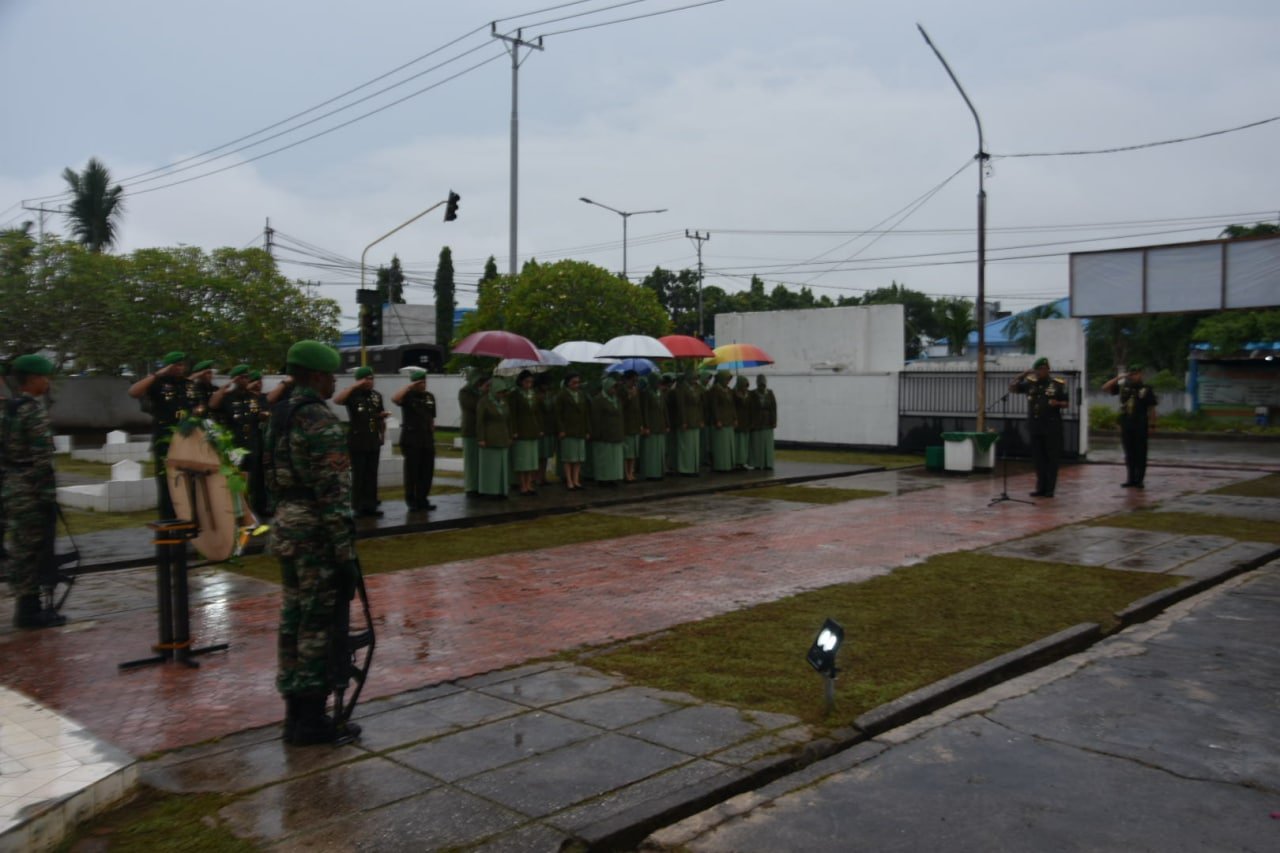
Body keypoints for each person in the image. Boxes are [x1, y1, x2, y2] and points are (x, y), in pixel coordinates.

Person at [265, 340, 362, 745]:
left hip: (288, 527)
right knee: (319, 625)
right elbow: (333, 493)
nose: (334, 381)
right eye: (331, 374)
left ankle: (294, 713)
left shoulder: (281, 414)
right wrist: (346, 555)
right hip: (317, 536)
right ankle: (311, 720)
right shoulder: (318, 419)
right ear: (317, 376)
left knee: (294, 620)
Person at [2, 354, 64, 629]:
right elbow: (42, 460)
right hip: (30, 488)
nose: (48, 382)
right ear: (34, 379)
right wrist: (49, 497)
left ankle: (26, 606)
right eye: (45, 377)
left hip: (12, 484)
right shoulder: (33, 411)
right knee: (33, 548)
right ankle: (29, 612)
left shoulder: (8, 409)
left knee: (20, 547)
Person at [128, 351, 194, 519]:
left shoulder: (188, 384)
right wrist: (158, 373)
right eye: (176, 365)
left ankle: (185, 517)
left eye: (182, 364)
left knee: (188, 480)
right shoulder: (158, 383)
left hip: (187, 440)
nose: (180, 368)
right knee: (167, 482)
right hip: (165, 440)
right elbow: (133, 392)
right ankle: (167, 519)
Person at [209, 364, 269, 518]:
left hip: (253, 443)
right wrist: (229, 384)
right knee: (236, 480)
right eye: (241, 377)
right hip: (235, 445)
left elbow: (260, 412)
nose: (245, 379)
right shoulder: (227, 397)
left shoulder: (252, 397)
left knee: (254, 481)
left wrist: (263, 415)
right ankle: (237, 512)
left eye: (246, 377)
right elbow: (212, 404)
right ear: (236, 378)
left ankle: (253, 512)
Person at [1010, 357, 1069, 498]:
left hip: (1052, 427)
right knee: (1038, 459)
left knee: (1051, 459)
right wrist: (1022, 375)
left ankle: (1049, 489)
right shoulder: (1031, 383)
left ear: (1047, 369)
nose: (1039, 372)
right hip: (1035, 426)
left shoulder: (1057, 384)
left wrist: (1058, 404)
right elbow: (1012, 388)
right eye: (1037, 370)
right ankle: (1040, 487)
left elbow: (1066, 403)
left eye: (1042, 369)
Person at [335, 367, 386, 517]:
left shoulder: (376, 396)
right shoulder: (352, 394)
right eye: (366, 379)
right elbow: (337, 400)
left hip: (373, 439)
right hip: (357, 439)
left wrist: (382, 433)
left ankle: (371, 505)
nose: (370, 381)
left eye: (371, 378)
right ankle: (357, 506)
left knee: (371, 473)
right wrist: (354, 386)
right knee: (359, 474)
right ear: (359, 380)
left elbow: (380, 416)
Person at [1103, 364, 1158, 489]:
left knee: (1140, 453)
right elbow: (1105, 387)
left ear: (1141, 374)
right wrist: (1118, 378)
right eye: (1132, 374)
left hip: (1140, 423)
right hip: (1126, 423)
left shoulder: (1146, 389)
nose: (1134, 376)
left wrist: (1152, 425)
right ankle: (1130, 479)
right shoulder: (1124, 388)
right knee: (1129, 453)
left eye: (1136, 374)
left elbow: (1152, 408)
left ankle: (1139, 480)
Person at [393, 370, 437, 511]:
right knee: (412, 471)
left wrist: (432, 430)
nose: (423, 385)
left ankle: (422, 499)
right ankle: (411, 500)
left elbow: (431, 417)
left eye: (424, 382)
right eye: (419, 382)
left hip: (426, 438)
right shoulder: (407, 396)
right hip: (411, 438)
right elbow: (395, 399)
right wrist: (409, 387)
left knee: (427, 471)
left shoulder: (429, 397)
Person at [475, 376, 513, 498]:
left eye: (503, 392)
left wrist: (510, 435)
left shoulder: (504, 402)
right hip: (489, 437)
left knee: (502, 465)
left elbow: (509, 420)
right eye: (499, 392)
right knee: (490, 466)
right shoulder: (484, 401)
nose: (501, 394)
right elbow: (479, 421)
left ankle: (501, 490)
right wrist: (481, 438)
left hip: (503, 436)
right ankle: (489, 491)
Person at [509, 370, 543, 496]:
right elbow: (512, 414)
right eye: (526, 382)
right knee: (522, 460)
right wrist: (514, 430)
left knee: (531, 460)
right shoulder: (515, 394)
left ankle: (529, 484)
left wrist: (540, 428)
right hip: (521, 431)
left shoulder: (533, 394)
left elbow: (537, 413)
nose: (529, 384)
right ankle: (522, 485)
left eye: (531, 382)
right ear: (521, 381)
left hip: (532, 430)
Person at [556, 372, 590, 490]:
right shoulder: (562, 395)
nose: (576, 385)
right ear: (567, 383)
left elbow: (586, 414)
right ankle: (569, 480)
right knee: (568, 457)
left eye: (578, 382)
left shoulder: (581, 395)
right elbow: (558, 414)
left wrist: (587, 430)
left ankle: (576, 480)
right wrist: (561, 429)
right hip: (568, 430)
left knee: (578, 457)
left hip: (580, 429)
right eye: (574, 382)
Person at [590, 375, 625, 486]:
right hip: (604, 434)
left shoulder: (617, 400)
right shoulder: (598, 400)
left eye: (615, 388)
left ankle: (614, 477)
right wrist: (598, 433)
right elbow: (595, 418)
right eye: (612, 388)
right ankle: (603, 478)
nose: (614, 390)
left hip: (616, 433)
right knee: (604, 458)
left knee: (615, 458)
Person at [457, 368, 484, 496]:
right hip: (470, 429)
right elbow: (474, 406)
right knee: (471, 460)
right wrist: (482, 394)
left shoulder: (479, 392)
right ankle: (471, 487)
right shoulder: (465, 392)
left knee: (480, 461)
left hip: (480, 430)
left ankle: (480, 485)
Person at [639, 374, 670, 480]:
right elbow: (645, 411)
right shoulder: (646, 393)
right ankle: (651, 473)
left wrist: (667, 423)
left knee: (660, 450)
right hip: (651, 425)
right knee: (651, 451)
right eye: (657, 382)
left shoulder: (660, 393)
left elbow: (664, 409)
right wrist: (646, 426)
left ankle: (659, 472)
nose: (659, 384)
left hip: (660, 425)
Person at [674, 371, 703, 476]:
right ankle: (685, 469)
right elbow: (681, 406)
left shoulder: (696, 388)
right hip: (686, 421)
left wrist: (700, 419)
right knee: (686, 446)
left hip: (695, 420)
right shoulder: (682, 389)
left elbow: (699, 404)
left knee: (694, 446)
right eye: (694, 378)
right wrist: (684, 421)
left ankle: (694, 468)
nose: (695, 380)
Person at [708, 370, 737, 472]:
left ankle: (729, 464)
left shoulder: (729, 390)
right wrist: (717, 420)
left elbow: (732, 405)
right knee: (721, 445)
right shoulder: (715, 390)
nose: (728, 381)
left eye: (729, 379)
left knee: (729, 444)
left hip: (729, 420)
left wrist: (735, 418)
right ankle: (721, 465)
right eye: (726, 379)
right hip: (721, 421)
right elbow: (714, 406)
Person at [620, 370, 643, 483]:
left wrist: (641, 424)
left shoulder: (636, 390)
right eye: (633, 380)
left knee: (633, 452)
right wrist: (629, 397)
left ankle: (632, 472)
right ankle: (626, 473)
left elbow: (638, 408)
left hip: (635, 424)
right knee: (627, 452)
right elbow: (620, 407)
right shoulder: (622, 390)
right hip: (626, 424)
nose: (634, 383)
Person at [751, 375, 777, 470]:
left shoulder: (770, 393)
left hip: (768, 422)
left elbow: (773, 408)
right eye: (760, 384)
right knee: (757, 444)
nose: (762, 386)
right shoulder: (753, 393)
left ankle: (768, 463)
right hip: (757, 422)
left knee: (767, 444)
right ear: (757, 383)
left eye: (763, 384)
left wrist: (774, 421)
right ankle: (757, 464)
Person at [733, 376, 753, 470]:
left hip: (746, 420)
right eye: (744, 385)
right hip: (738, 419)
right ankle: (737, 461)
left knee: (745, 442)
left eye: (746, 386)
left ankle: (743, 461)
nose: (745, 388)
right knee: (738, 442)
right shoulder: (734, 393)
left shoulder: (748, 394)